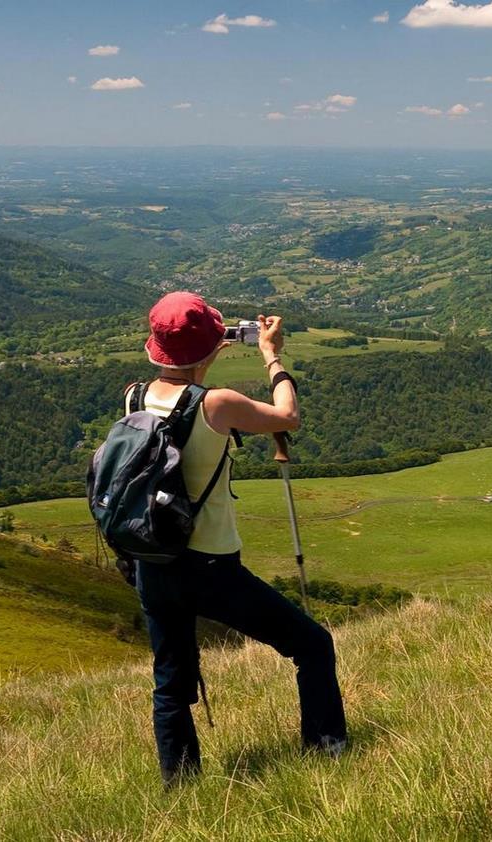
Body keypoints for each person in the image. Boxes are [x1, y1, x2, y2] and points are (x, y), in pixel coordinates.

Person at [132, 290, 347, 785]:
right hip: (209, 566)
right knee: (312, 645)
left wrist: (201, 353)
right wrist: (272, 354)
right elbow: (287, 416)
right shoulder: (218, 404)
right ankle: (328, 753)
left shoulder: (137, 396)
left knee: (170, 682)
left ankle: (181, 788)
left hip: (152, 559)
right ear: (211, 348)